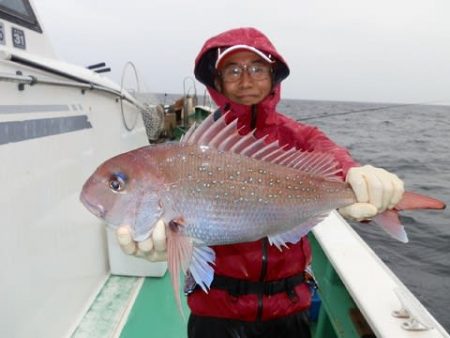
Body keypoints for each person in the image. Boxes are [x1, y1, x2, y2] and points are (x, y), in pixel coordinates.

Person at [116, 27, 404, 338]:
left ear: (272, 76)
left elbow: (333, 158)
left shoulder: (299, 137)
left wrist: (359, 179)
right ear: (218, 81)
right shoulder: (200, 145)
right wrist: (174, 248)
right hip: (216, 311)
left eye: (256, 68)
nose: (246, 79)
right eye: (234, 70)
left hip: (289, 308)